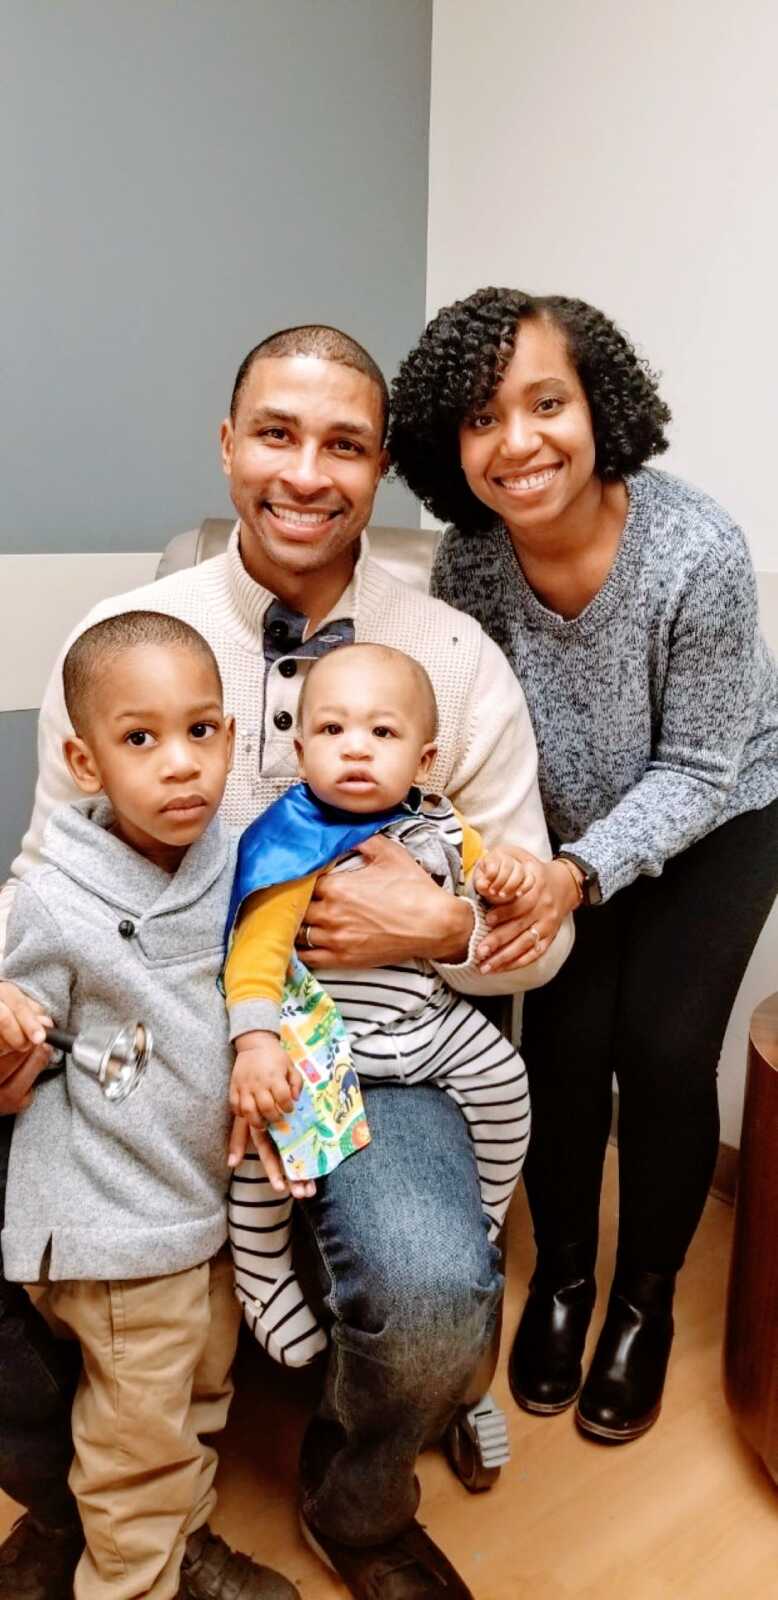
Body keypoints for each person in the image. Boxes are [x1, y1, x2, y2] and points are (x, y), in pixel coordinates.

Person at [0, 324, 573, 1600]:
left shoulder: (456, 662)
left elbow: (541, 923)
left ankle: (356, 1503)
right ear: (225, 446)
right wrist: (24, 1027)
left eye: (345, 446)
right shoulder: (125, 633)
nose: (306, 473)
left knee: (435, 1298)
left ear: (381, 474)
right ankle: (89, 1502)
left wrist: (447, 929)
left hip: (375, 1053)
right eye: (276, 434)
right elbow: (48, 873)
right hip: (128, 1035)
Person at [388, 285, 778, 1445]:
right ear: (447, 449)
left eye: (544, 402)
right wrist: (507, 866)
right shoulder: (469, 564)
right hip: (550, 831)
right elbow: (472, 729)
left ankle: (642, 1301)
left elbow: (700, 766)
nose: (517, 442)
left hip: (719, 810)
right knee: (557, 1040)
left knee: (660, 1053)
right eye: (478, 418)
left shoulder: (696, 550)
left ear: (597, 403)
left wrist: (580, 872)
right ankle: (561, 1276)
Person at [0, 612, 300, 1600]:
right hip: (115, 1222)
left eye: (202, 731)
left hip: (198, 1207)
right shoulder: (51, 898)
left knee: (196, 1403)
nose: (181, 766)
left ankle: (190, 1544)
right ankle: (136, 1579)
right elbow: (17, 1015)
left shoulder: (230, 860)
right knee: (134, 1457)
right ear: (85, 760)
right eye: (141, 739)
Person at [223, 641, 531, 1365]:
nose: (356, 749)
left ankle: (484, 1216)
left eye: (382, 733)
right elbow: (256, 953)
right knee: (270, 1140)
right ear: (299, 751)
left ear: (424, 762)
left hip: (427, 1022)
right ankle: (262, 1274)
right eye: (332, 732)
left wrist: (512, 873)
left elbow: (490, 883)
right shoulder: (294, 842)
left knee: (507, 1080)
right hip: (329, 1045)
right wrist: (255, 1042)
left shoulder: (443, 824)